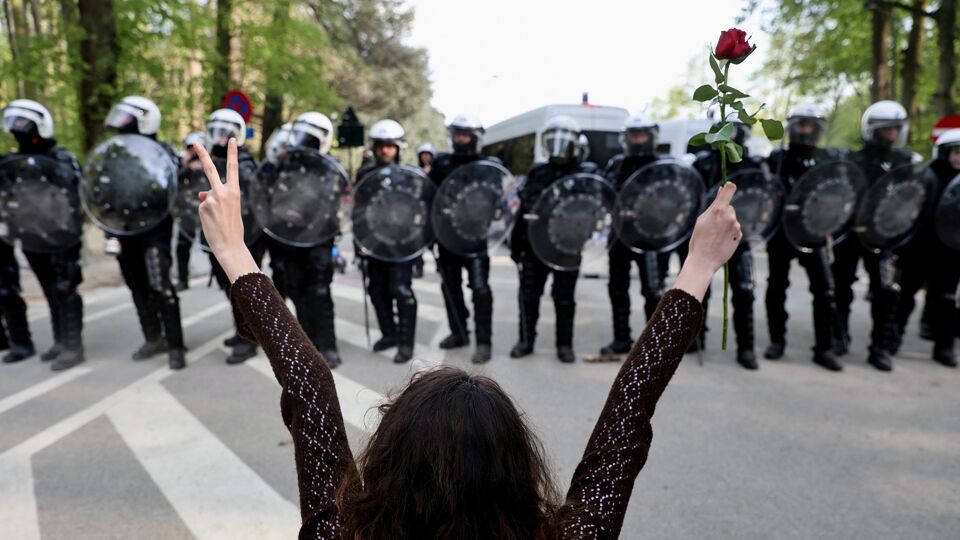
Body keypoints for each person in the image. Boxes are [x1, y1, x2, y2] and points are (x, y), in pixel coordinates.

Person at [194, 137, 741, 538]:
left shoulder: (339, 533)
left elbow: (309, 387)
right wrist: (699, 265)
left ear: (390, 460)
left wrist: (234, 251)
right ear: (517, 467)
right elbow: (630, 409)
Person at [1, 99, 85, 369]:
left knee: (64, 287)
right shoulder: (14, 163)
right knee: (49, 289)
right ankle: (60, 340)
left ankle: (73, 346)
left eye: (23, 123)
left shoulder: (61, 159)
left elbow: (74, 191)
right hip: (30, 234)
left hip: (61, 234)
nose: (18, 130)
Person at [832, 100, 914, 372]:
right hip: (851, 233)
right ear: (873, 129)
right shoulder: (853, 161)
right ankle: (838, 337)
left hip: (883, 237)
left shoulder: (904, 163)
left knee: (885, 292)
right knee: (841, 286)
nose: (893, 133)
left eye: (896, 128)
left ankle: (880, 347)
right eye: (888, 128)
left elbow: (910, 198)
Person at [105, 95, 186, 370]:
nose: (122, 123)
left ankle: (175, 345)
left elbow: (170, 187)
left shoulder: (162, 152)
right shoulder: (115, 153)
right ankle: (153, 338)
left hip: (154, 229)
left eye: (128, 117)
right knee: (136, 285)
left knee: (160, 284)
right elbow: (104, 187)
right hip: (124, 228)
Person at [764, 103, 844, 371]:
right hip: (782, 233)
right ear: (793, 126)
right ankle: (777, 341)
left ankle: (824, 348)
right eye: (801, 124)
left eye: (809, 125)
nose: (805, 129)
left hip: (813, 233)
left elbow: (838, 193)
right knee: (776, 288)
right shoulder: (777, 158)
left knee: (825, 291)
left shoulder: (828, 159)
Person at [509, 115, 596, 363]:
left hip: (567, 246)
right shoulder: (538, 171)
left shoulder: (585, 174)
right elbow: (524, 210)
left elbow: (591, 209)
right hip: (535, 245)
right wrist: (517, 243)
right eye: (553, 139)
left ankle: (564, 344)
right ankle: (526, 340)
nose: (558, 145)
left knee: (564, 298)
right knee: (528, 295)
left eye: (564, 140)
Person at [260, 111, 343, 367]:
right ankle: (310, 344)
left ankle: (328, 346)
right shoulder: (285, 164)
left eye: (309, 138)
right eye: (300, 135)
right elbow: (265, 188)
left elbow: (331, 201)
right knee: (296, 291)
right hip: (288, 239)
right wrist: (275, 160)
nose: (303, 142)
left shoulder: (329, 167)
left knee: (319, 292)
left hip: (319, 239)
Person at [691, 113, 763, 369]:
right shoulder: (703, 163)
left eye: (734, 129)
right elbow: (692, 196)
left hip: (738, 237)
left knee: (744, 291)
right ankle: (694, 338)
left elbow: (762, 200)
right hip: (707, 238)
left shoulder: (752, 165)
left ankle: (746, 347)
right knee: (699, 288)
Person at [201, 108, 270, 364]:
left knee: (244, 290)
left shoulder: (246, 167)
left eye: (225, 133)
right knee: (230, 290)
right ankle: (243, 332)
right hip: (217, 240)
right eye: (215, 132)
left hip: (244, 241)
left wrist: (241, 246)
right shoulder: (209, 163)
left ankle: (248, 342)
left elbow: (255, 208)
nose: (219, 138)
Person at [600, 112, 671, 356]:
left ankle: (653, 343)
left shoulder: (664, 165)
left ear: (651, 136)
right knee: (617, 288)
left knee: (653, 290)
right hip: (620, 235)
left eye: (642, 135)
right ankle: (621, 338)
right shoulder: (616, 164)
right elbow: (604, 193)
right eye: (634, 135)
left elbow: (673, 199)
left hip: (651, 238)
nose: (638, 140)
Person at [428, 114, 495, 363]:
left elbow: (492, 198)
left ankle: (484, 342)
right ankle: (459, 333)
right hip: (447, 238)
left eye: (465, 135)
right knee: (450, 287)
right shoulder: (442, 163)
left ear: (475, 137)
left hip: (475, 239)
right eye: (457, 134)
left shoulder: (488, 166)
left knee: (480, 289)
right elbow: (430, 196)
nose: (460, 139)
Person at [893, 128, 960, 367]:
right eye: (956, 152)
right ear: (944, 153)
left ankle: (944, 347)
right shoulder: (926, 177)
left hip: (951, 252)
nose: (959, 158)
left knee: (945, 300)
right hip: (920, 248)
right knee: (905, 295)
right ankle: (891, 339)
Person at [355, 119, 419, 364]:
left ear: (398, 148)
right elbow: (359, 210)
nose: (384, 150)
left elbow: (420, 209)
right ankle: (389, 334)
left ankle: (406, 343)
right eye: (380, 145)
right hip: (375, 243)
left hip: (401, 244)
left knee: (401, 291)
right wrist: (359, 242)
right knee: (377, 290)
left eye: (389, 146)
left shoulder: (409, 175)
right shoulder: (365, 174)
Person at [175, 131, 206, 291]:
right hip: (187, 212)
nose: (193, 152)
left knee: (213, 247)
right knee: (182, 246)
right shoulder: (182, 164)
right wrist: (185, 166)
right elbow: (174, 182)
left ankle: (224, 279)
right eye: (190, 148)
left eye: (197, 148)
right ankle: (183, 279)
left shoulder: (210, 163)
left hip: (206, 211)